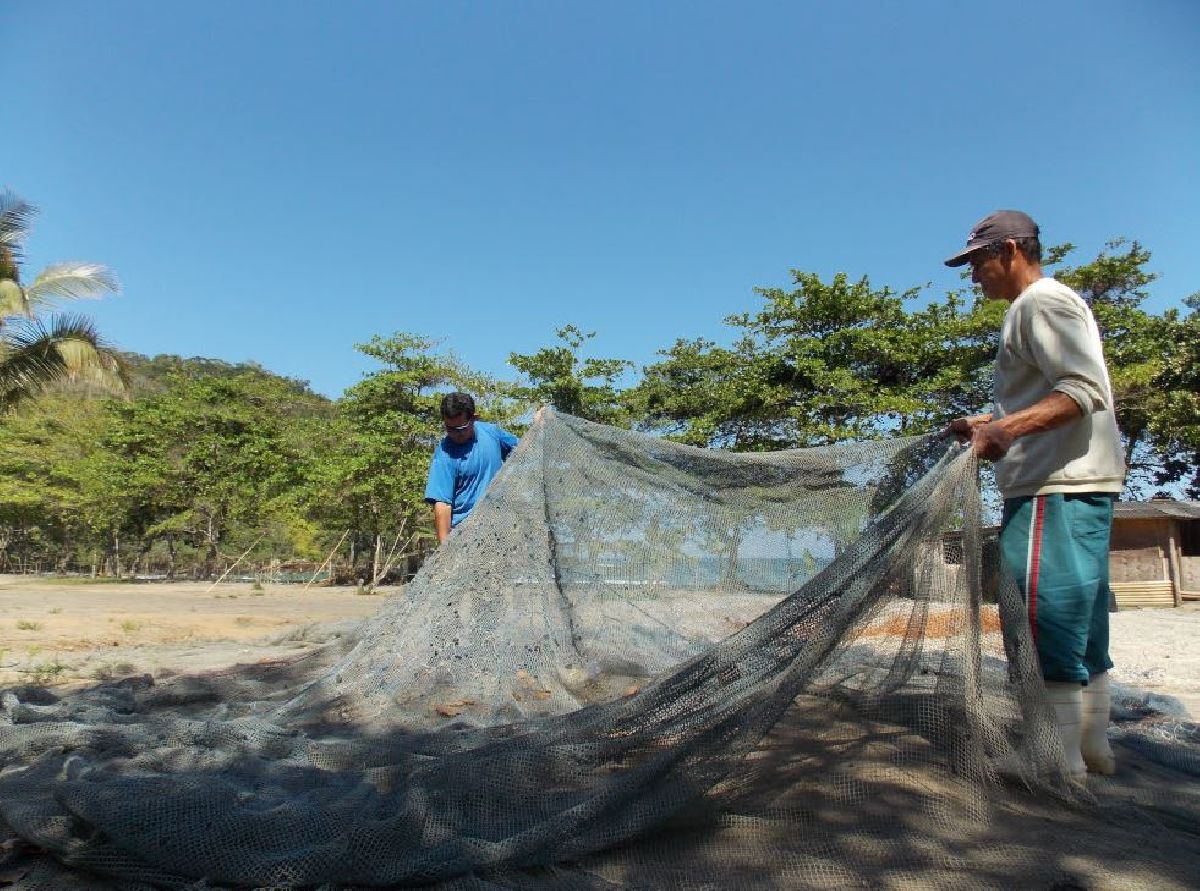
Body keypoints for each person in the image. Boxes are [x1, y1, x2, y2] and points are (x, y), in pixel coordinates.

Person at [944, 210, 1126, 779]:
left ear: (1014, 250)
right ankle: (1092, 748)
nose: (974, 276)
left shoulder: (1040, 304)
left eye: (978, 261)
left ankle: (1055, 759)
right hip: (1076, 485)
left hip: (1054, 485)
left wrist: (1003, 433)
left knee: (1044, 616)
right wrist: (987, 419)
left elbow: (1081, 392)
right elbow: (1054, 392)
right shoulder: (1047, 306)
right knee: (1082, 618)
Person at [424, 392, 520, 543]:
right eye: (450, 429)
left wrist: (539, 424)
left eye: (461, 428)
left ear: (474, 418)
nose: (456, 434)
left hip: (499, 528)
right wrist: (444, 554)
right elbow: (442, 506)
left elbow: (525, 450)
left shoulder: (492, 433)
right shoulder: (444, 455)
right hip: (465, 537)